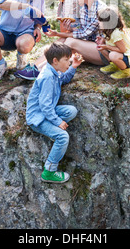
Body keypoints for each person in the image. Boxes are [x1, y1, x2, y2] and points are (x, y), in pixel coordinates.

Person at [26, 42, 83, 183]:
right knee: (63, 137)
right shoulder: (47, 77)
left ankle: (51, 129)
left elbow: (63, 79)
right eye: (66, 60)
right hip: (38, 118)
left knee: (71, 111)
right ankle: (49, 171)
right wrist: (58, 122)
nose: (69, 62)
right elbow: (45, 106)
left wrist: (74, 66)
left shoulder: (53, 71)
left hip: (46, 112)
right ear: (55, 61)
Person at [45, 0, 109, 66]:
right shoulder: (84, 8)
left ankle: (46, 67)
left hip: (105, 54)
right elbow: (81, 29)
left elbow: (83, 34)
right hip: (92, 48)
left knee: (71, 41)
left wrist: (57, 33)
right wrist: (72, 28)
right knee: (61, 41)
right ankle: (36, 66)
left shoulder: (99, 10)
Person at [96, 7, 130, 79]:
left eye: (100, 21)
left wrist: (106, 47)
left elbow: (122, 50)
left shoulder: (116, 33)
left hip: (128, 57)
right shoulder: (107, 30)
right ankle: (114, 65)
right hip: (120, 55)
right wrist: (103, 40)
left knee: (113, 55)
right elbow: (110, 41)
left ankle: (125, 71)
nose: (98, 22)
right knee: (101, 47)